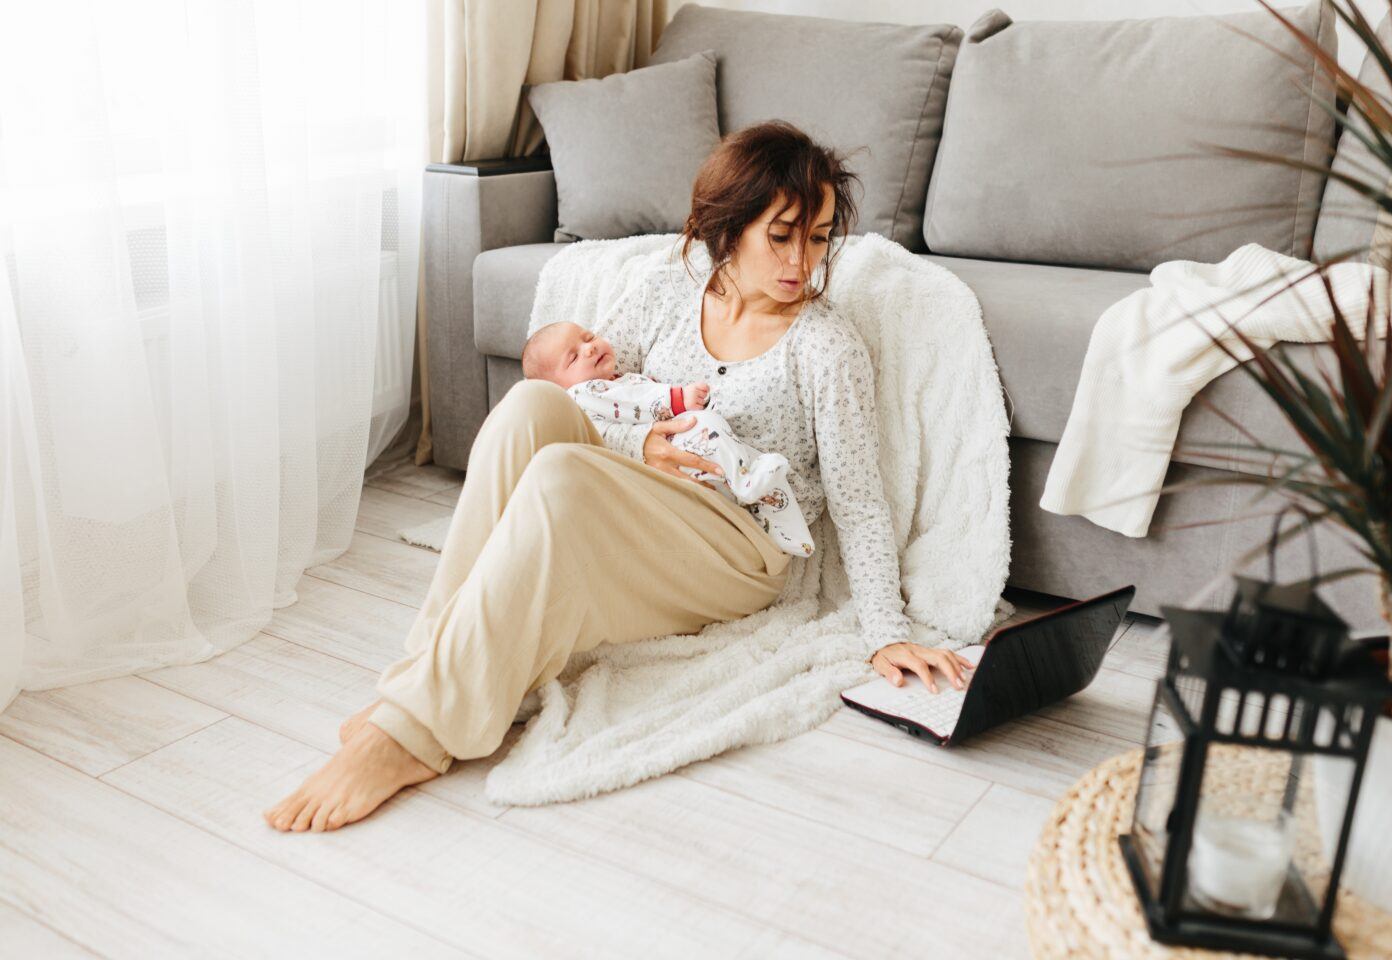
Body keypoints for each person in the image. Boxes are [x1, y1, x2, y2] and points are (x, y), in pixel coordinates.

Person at [263, 120, 974, 833]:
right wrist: (643, 446)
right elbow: (586, 394)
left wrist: (885, 630)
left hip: (736, 548)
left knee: (562, 477)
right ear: (729, 226)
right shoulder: (668, 292)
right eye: (781, 234)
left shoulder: (826, 346)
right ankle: (424, 678)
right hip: (645, 501)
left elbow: (858, 496)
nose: (802, 261)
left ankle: (412, 735)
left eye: (818, 238)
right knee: (530, 406)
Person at [519, 320, 814, 557]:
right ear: (557, 388)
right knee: (707, 424)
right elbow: (639, 402)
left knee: (748, 459)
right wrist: (678, 397)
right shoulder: (583, 393)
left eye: (588, 337)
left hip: (680, 458)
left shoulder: (614, 379)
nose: (589, 348)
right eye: (573, 357)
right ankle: (747, 486)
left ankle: (782, 527)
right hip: (671, 455)